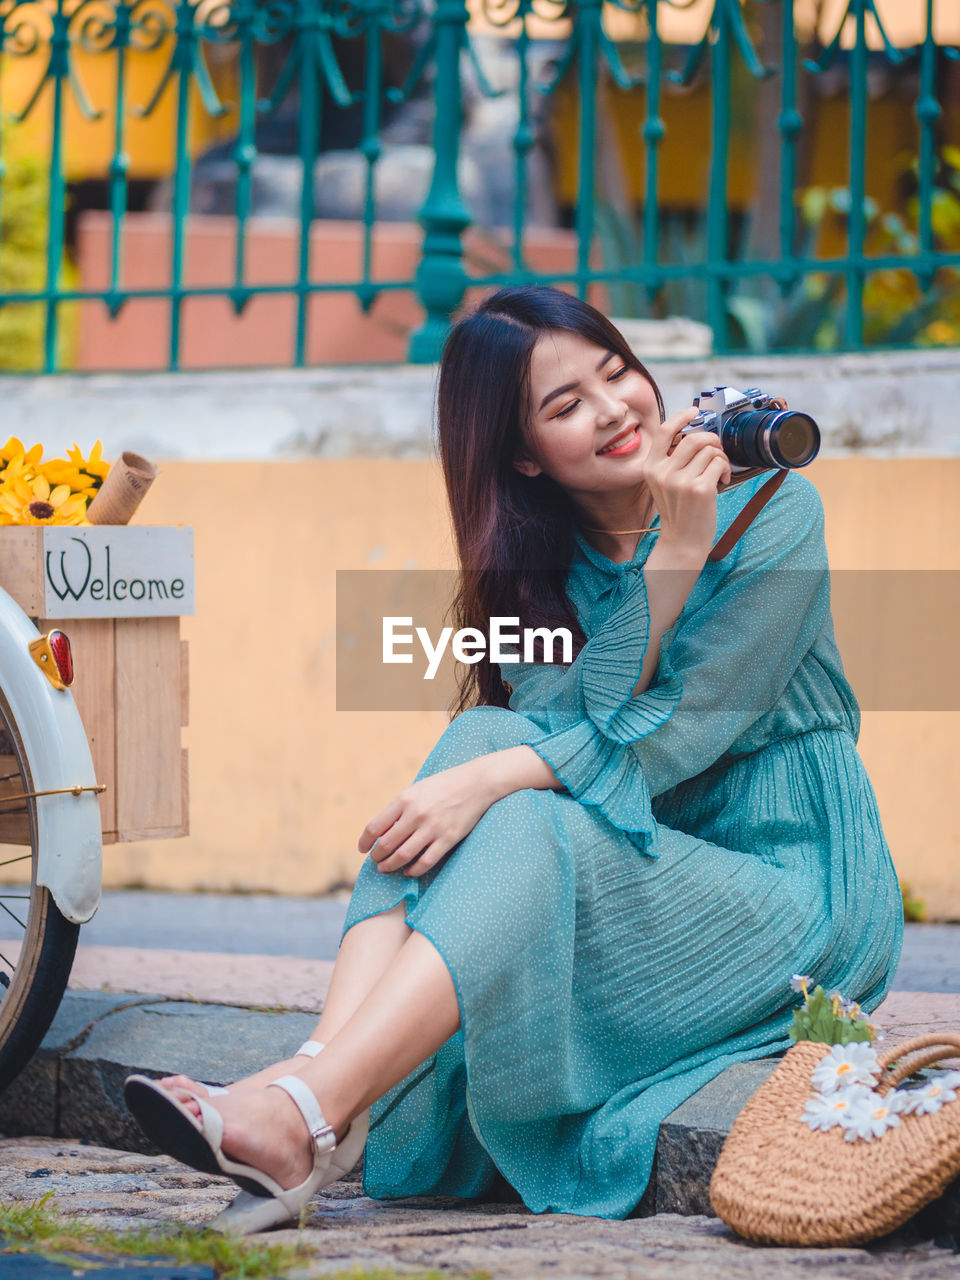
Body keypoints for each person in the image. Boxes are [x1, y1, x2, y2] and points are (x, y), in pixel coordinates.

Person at [124, 285, 903, 1233]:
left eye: (616, 372)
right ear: (526, 456)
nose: (616, 409)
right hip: (649, 855)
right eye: (565, 404)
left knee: (503, 780)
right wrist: (507, 748)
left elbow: (676, 734)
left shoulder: (776, 510)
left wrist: (678, 555)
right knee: (481, 737)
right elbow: (558, 727)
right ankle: (319, 1074)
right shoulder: (539, 564)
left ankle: (312, 1107)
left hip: (796, 887)